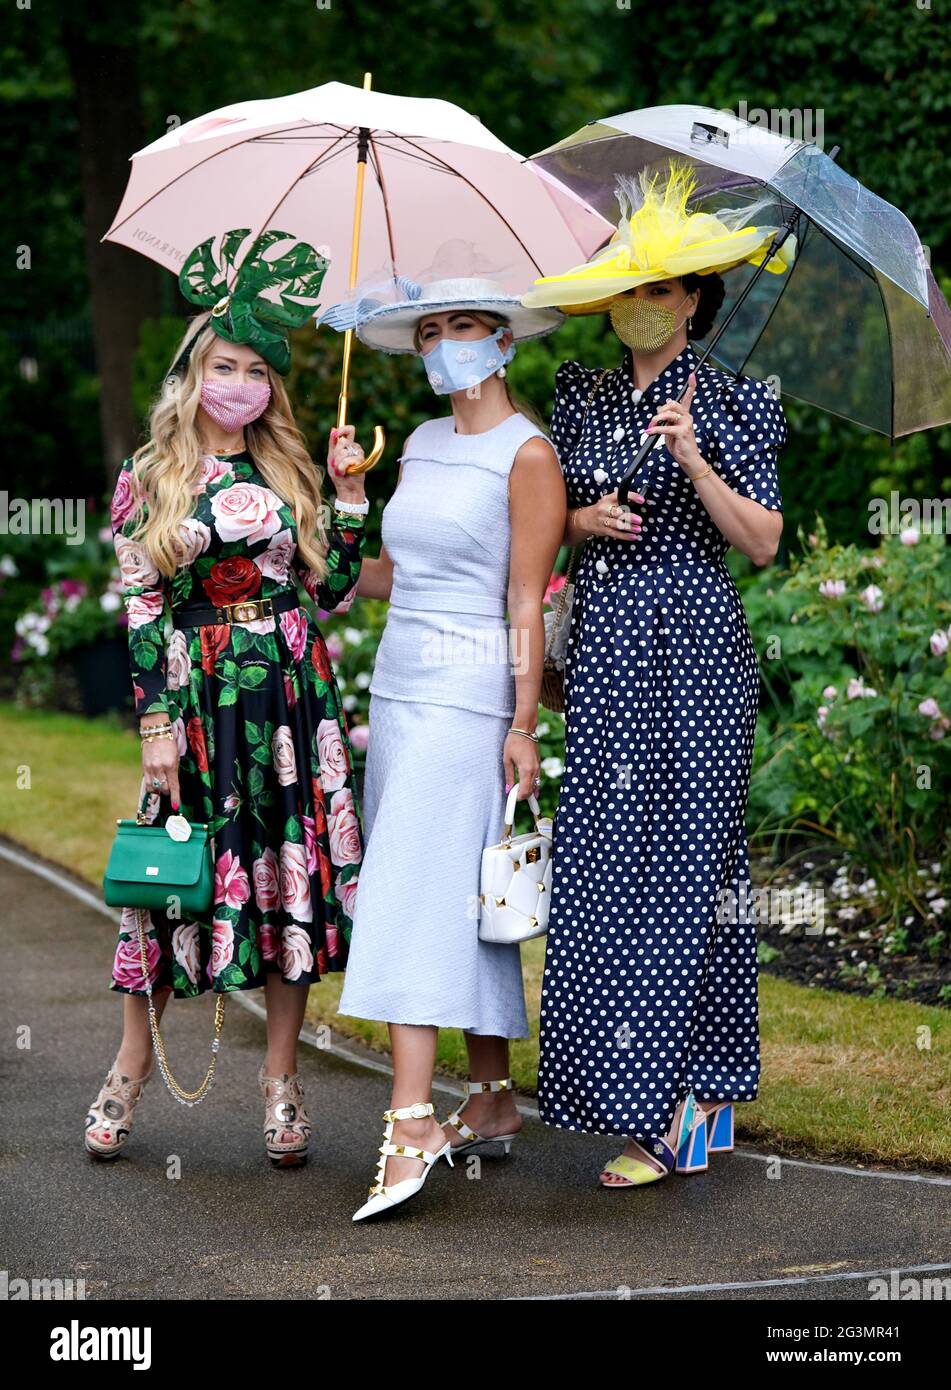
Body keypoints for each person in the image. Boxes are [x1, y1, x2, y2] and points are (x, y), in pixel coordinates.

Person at [521, 161, 792, 1187]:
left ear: (695, 300)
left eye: (662, 289)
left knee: (693, 863)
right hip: (609, 638)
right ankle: (682, 1089)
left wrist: (696, 463)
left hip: (697, 635)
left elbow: (761, 542)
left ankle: (673, 1113)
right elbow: (552, 513)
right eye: (628, 287)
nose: (642, 305)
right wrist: (582, 520)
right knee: (605, 864)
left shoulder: (735, 397)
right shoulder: (580, 389)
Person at [85, 230, 369, 1168]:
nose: (239, 382)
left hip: (291, 699)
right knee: (171, 889)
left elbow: (330, 592)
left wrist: (349, 496)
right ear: (193, 371)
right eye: (223, 364)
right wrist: (156, 724)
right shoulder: (149, 476)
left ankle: (281, 1086)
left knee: (287, 884)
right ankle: (126, 1075)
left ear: (273, 388)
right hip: (196, 698)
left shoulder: (288, 468)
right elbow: (140, 604)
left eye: (256, 370)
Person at [320, 270, 565, 1219]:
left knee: (412, 894)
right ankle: (495, 1099)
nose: (446, 342)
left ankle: (413, 1118)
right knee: (457, 895)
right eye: (430, 329)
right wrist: (342, 507)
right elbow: (392, 575)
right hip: (399, 684)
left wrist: (520, 722)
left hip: (470, 697)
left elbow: (520, 597)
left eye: (465, 325)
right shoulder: (418, 444)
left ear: (504, 341)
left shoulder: (527, 453)